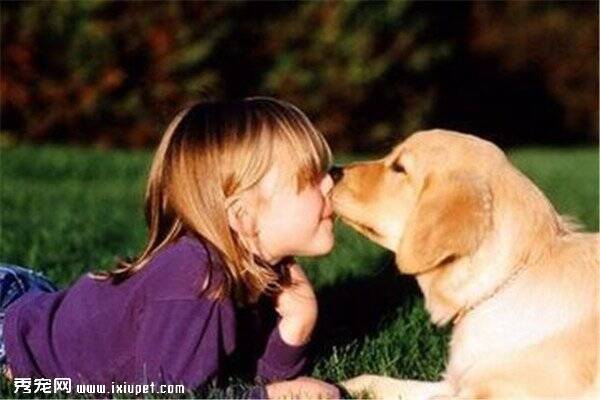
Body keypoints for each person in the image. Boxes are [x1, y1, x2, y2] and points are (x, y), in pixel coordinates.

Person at [0, 97, 340, 399]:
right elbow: (167, 394)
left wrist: (298, 323)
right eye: (310, 177)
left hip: (35, 303)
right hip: (14, 342)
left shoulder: (258, 269)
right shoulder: (198, 279)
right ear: (242, 216)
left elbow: (248, 375)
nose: (329, 181)